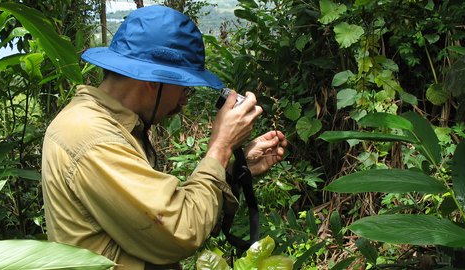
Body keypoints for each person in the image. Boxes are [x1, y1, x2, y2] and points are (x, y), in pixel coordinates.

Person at [41, 5, 287, 270]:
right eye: (184, 87)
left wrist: (233, 169)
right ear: (152, 80)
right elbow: (181, 229)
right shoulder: (91, 136)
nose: (184, 99)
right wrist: (221, 145)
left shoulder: (110, 124)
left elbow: (158, 212)